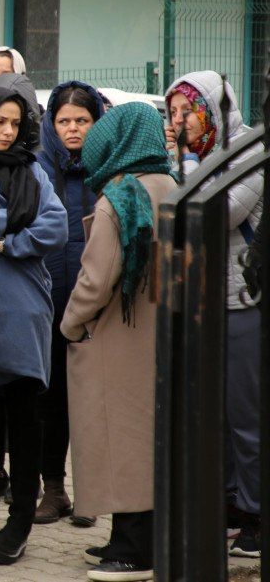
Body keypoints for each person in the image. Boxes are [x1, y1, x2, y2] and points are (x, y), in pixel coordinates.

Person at [61, 103, 176, 581]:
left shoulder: (120, 198)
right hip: (162, 336)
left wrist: (71, 325)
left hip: (117, 339)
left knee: (119, 441)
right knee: (151, 440)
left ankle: (132, 550)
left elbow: (96, 279)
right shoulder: (175, 187)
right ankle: (139, 539)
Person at [164, 71, 263, 557]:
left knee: (246, 415)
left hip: (243, 301)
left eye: (188, 110)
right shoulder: (195, 158)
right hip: (203, 301)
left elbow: (215, 213)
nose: (179, 120)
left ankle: (257, 513)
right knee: (214, 414)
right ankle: (227, 504)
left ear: (212, 111)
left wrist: (185, 163)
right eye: (172, 113)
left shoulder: (249, 153)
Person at [0, 86, 68, 564]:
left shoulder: (33, 170)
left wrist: (7, 242)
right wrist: (10, 222)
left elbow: (57, 226)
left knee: (26, 422)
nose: (8, 132)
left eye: (15, 123)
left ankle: (20, 522)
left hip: (25, 308)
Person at [34, 82, 107, 527]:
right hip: (47, 303)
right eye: (64, 121)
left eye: (83, 120)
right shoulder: (37, 168)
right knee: (50, 401)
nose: (73, 129)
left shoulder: (108, 168)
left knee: (91, 402)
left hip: (96, 306)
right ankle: (54, 488)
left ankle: (90, 495)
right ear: (51, 123)